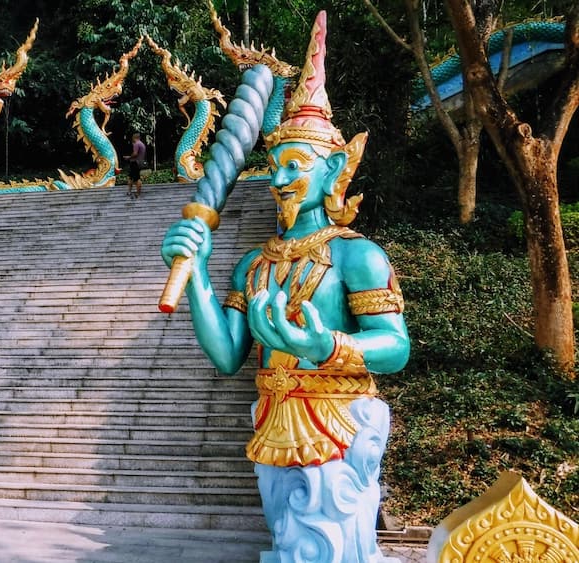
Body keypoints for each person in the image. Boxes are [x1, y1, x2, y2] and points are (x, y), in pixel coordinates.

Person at [160, 12, 408, 563]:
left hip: (340, 417)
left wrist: (329, 348)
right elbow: (228, 356)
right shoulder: (253, 263)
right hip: (271, 413)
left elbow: (395, 346)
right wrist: (197, 271)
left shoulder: (356, 255)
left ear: (334, 168)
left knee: (331, 544)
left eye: (294, 164)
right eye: (272, 164)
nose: (277, 179)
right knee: (287, 541)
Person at [124, 132, 147, 198]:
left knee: (137, 178)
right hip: (139, 162)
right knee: (131, 177)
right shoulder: (142, 144)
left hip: (135, 163)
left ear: (134, 138)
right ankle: (129, 191)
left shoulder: (136, 144)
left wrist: (128, 157)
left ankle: (138, 193)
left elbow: (135, 154)